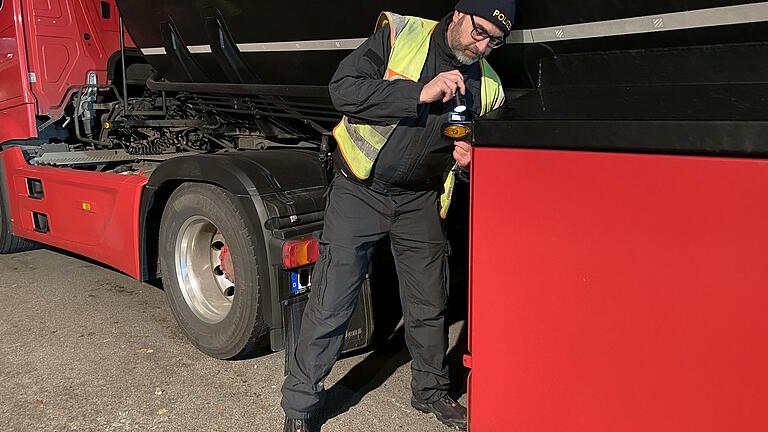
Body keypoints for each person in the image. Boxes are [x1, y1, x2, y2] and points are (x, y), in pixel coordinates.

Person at [281, 0, 514, 430]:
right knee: (333, 299)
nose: (482, 46)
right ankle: (301, 406)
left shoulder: (490, 86)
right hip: (361, 190)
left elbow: (485, 155)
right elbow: (343, 90)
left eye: (494, 42)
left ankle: (430, 393)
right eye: (479, 32)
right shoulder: (402, 35)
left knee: (429, 303)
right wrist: (417, 93)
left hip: (421, 202)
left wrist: (470, 166)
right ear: (460, 14)